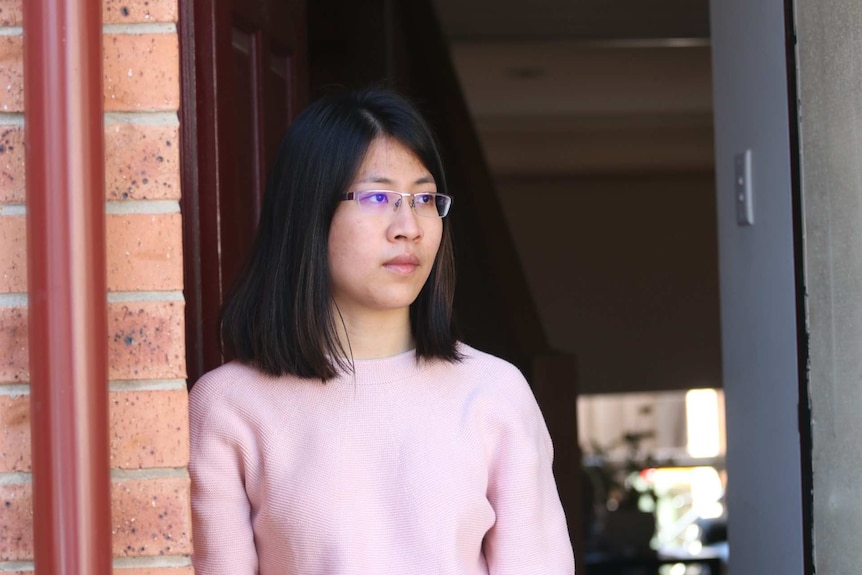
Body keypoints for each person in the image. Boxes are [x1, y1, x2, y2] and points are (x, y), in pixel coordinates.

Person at [189, 88, 575, 574]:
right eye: (377, 196)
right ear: (310, 210)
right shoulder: (229, 407)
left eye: (424, 198)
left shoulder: (493, 392)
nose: (408, 226)